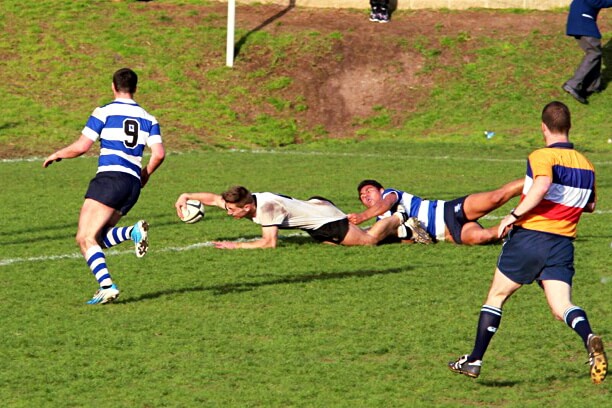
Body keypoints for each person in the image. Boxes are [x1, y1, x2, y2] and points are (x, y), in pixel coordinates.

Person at [448, 101, 606, 384]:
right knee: (562, 307)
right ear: (568, 127)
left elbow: (542, 186)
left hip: (530, 238)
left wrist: (513, 214)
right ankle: (589, 336)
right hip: (562, 244)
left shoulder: (541, 156)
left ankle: (474, 360)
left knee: (497, 296)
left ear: (543, 127)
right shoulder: (587, 164)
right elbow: (591, 204)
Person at [43, 68, 166, 305]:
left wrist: (58, 154)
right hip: (132, 185)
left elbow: (82, 146)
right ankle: (131, 233)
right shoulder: (149, 118)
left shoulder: (105, 111)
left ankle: (107, 286)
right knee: (97, 239)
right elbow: (159, 154)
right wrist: (145, 174)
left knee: (84, 237)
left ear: (113, 86)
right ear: (135, 88)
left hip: (110, 179)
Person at [174, 186, 422, 249]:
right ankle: (405, 234)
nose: (227, 212)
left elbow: (269, 243)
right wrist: (186, 195)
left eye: (232, 210)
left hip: (326, 221)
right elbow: (213, 199)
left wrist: (234, 245)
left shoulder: (266, 209)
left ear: (247, 207)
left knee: (367, 242)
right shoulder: (245, 200)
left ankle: (397, 219)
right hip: (316, 209)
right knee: (338, 246)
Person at [348, 177, 524, 245]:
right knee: (484, 237)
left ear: (381, 190)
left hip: (447, 211)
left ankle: (539, 178)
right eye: (362, 196)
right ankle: (525, 224)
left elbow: (385, 205)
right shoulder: (382, 225)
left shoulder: (390, 194)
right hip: (447, 234)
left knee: (496, 197)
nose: (365, 196)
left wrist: (362, 217)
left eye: (368, 190)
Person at [562, 0, 612, 104]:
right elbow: (597, 2)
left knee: (595, 53)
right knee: (594, 53)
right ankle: (573, 84)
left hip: (578, 23)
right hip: (584, 23)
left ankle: (592, 87)